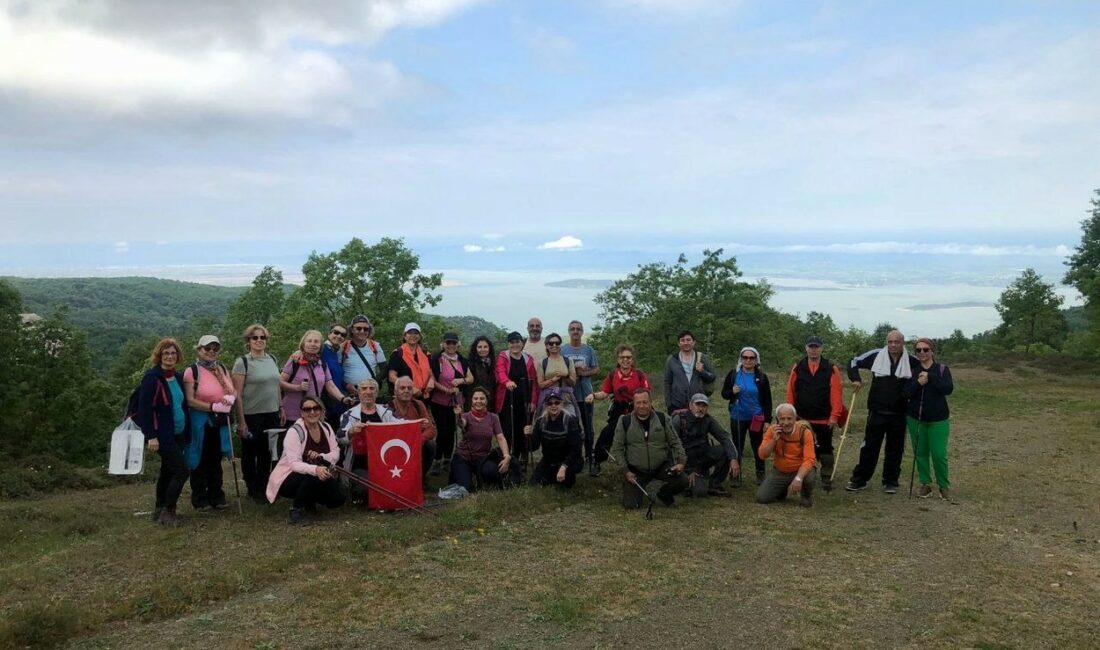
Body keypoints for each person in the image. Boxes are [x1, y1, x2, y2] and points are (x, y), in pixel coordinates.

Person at [845, 330, 919, 494]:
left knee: (895, 448)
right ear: (887, 342)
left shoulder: (912, 360)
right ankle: (860, 480)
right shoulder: (876, 355)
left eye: (897, 342)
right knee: (869, 447)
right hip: (876, 411)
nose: (893, 345)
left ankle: (891, 481)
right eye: (890, 341)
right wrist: (855, 378)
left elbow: (926, 368)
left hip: (899, 412)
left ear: (902, 343)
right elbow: (853, 361)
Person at [265, 396, 345, 525]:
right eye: (307, 409)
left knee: (338, 498)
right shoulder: (294, 431)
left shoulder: (326, 427)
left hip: (319, 473)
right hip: (289, 478)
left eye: (315, 408)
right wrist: (316, 469)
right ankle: (296, 510)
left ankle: (309, 501)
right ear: (302, 412)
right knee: (312, 476)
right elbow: (294, 464)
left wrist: (321, 457)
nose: (312, 412)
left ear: (321, 410)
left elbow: (336, 453)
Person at [137, 338, 190, 527]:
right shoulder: (152, 378)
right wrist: (151, 435)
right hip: (163, 434)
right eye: (166, 353)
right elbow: (145, 409)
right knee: (182, 470)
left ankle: (159, 510)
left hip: (179, 432)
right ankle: (169, 511)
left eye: (173, 353)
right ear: (159, 356)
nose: (170, 356)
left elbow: (181, 404)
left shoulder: (177, 377)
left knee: (167, 471)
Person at [183, 335, 236, 511]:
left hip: (219, 421)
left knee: (215, 458)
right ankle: (199, 498)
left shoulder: (221, 369)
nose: (211, 352)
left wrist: (228, 400)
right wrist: (212, 406)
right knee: (199, 458)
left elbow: (231, 390)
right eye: (207, 348)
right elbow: (190, 400)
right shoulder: (192, 371)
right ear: (199, 350)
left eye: (215, 349)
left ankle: (216, 495)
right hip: (200, 422)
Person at [610, 389, 688, 509]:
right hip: (636, 470)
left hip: (661, 465)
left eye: (645, 402)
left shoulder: (663, 419)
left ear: (651, 402)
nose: (642, 406)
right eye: (638, 402)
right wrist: (626, 471)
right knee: (632, 506)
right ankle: (633, 491)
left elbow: (676, 442)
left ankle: (663, 495)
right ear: (633, 404)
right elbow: (617, 449)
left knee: (683, 480)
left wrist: (681, 462)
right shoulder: (624, 421)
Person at [231, 324, 282, 502]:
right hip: (251, 414)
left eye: (263, 337)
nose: (259, 340)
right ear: (248, 341)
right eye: (255, 338)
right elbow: (236, 395)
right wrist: (241, 421)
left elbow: (276, 386)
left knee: (267, 452)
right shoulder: (242, 362)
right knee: (250, 451)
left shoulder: (272, 359)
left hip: (271, 413)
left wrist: (280, 407)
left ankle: (264, 485)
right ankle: (252, 488)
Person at [785, 335, 843, 491]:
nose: (813, 349)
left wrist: (834, 416)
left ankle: (826, 477)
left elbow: (836, 394)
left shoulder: (831, 368)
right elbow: (790, 391)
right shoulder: (798, 367)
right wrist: (790, 414)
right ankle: (802, 475)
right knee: (801, 447)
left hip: (824, 418)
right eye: (811, 346)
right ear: (806, 348)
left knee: (825, 448)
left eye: (816, 346)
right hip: (802, 417)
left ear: (821, 348)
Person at [587, 343, 650, 476]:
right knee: (607, 433)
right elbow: (604, 393)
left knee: (647, 435)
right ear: (618, 359)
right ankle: (596, 461)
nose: (625, 360)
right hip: (619, 411)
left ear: (632, 359)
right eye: (622, 357)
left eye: (628, 357)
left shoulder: (639, 375)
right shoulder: (612, 375)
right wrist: (593, 395)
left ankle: (648, 463)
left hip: (638, 410)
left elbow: (646, 394)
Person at [904, 338, 954, 501]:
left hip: (938, 419)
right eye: (918, 350)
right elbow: (906, 393)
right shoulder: (913, 370)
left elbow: (948, 389)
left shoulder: (941, 369)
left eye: (926, 349)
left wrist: (931, 377)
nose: (922, 353)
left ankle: (943, 486)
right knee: (921, 453)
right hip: (916, 418)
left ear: (932, 351)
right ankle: (925, 484)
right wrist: (918, 383)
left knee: (939, 454)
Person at [339, 378, 400, 502]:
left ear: (377, 393)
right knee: (365, 491)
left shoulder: (386, 411)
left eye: (372, 389)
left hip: (384, 462)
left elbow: (401, 425)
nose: (368, 392)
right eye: (364, 389)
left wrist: (417, 424)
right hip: (359, 463)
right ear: (359, 393)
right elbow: (340, 437)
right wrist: (350, 432)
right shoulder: (349, 415)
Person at [721, 346, 773, 487]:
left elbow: (768, 401)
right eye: (745, 357)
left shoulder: (761, 377)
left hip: (757, 418)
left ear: (756, 360)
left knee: (758, 446)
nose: (748, 360)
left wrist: (768, 420)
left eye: (751, 358)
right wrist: (732, 391)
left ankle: (760, 474)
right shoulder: (733, 374)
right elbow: (724, 394)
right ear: (741, 359)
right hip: (738, 416)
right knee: (737, 446)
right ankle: (735, 474)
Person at [670, 394, 740, 497]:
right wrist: (687, 471)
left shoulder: (708, 419)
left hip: (703, 457)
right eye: (698, 405)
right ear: (690, 406)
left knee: (725, 451)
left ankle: (715, 485)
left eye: (704, 406)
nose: (701, 408)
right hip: (685, 461)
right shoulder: (678, 420)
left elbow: (724, 437)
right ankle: (686, 482)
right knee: (700, 492)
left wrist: (733, 458)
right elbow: (670, 447)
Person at [280, 330, 354, 425]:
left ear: (320, 346)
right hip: (292, 415)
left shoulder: (322, 364)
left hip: (313, 414)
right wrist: (297, 388)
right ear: (303, 344)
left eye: (316, 342)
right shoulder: (295, 361)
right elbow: (280, 383)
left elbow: (330, 385)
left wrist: (343, 399)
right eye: (309, 341)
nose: (313, 344)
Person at [428, 332, 474, 477]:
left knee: (452, 431)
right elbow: (432, 379)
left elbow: (470, 378)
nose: (451, 346)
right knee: (442, 431)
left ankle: (447, 460)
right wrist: (446, 390)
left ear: (458, 344)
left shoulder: (462, 360)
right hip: (439, 401)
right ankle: (436, 461)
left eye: (454, 343)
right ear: (443, 344)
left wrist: (460, 382)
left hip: (456, 402)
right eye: (448, 343)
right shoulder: (436, 359)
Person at [755, 403, 817, 507]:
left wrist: (798, 478)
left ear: (795, 419)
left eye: (789, 419)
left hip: (799, 470)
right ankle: (782, 489)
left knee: (809, 475)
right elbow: (762, 455)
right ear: (777, 419)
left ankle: (806, 496)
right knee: (762, 498)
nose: (786, 422)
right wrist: (773, 441)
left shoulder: (805, 432)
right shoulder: (772, 430)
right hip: (780, 471)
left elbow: (809, 459)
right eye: (782, 419)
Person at [495, 331, 537, 478]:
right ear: (508, 344)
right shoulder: (503, 357)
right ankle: (506, 457)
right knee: (507, 430)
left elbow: (533, 382)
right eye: (512, 342)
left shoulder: (528, 359)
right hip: (507, 399)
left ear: (522, 343)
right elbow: (500, 372)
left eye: (517, 341)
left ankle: (521, 459)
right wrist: (507, 382)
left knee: (523, 431)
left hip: (524, 400)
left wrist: (533, 401)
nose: (515, 344)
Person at [451, 387, 511, 491]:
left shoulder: (493, 417)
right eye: (476, 398)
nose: (478, 401)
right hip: (463, 457)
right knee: (465, 488)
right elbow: (462, 423)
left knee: (492, 472)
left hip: (482, 457)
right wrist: (458, 416)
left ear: (487, 401)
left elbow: (500, 437)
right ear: (471, 401)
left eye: (482, 398)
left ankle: (480, 477)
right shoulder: (466, 416)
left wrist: (506, 456)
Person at [561, 321, 600, 474]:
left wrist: (584, 373)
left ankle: (591, 457)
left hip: (586, 395)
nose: (575, 331)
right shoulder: (563, 350)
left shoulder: (588, 350)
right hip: (569, 396)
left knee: (588, 428)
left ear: (582, 332)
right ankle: (574, 457)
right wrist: (574, 370)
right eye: (573, 329)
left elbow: (596, 368)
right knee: (572, 429)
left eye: (578, 329)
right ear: (569, 331)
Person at [526, 388, 584, 489]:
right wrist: (527, 436)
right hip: (549, 459)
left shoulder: (570, 421)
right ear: (546, 405)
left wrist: (564, 466)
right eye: (550, 403)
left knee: (564, 484)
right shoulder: (541, 422)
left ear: (562, 404)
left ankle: (565, 475)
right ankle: (553, 474)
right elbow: (533, 446)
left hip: (568, 460)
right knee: (534, 484)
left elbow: (576, 449)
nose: (553, 406)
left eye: (557, 403)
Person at [390, 376, 438, 483]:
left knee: (431, 445)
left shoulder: (418, 404)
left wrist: (421, 439)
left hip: (416, 442)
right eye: (402, 388)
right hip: (396, 445)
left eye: (409, 388)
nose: (406, 391)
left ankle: (420, 480)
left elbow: (431, 429)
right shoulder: (388, 406)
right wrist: (418, 427)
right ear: (395, 391)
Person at [664, 330, 717, 414]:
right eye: (682, 340)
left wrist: (702, 371)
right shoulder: (672, 359)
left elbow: (712, 377)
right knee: (678, 426)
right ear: (679, 343)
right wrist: (668, 403)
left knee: (698, 426)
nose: (686, 343)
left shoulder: (702, 357)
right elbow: (667, 382)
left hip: (698, 403)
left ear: (694, 342)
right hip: (677, 403)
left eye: (688, 340)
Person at [341, 314, 387, 400]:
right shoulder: (343, 347)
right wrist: (346, 385)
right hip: (349, 392)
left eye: (366, 329)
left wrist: (373, 383)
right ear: (352, 330)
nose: (362, 331)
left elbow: (384, 369)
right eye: (358, 328)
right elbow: (336, 371)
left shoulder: (375, 346)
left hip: (369, 392)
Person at [388, 322, 435, 399]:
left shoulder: (426, 354)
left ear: (420, 336)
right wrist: (410, 387)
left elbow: (431, 373)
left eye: (416, 333)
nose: (413, 336)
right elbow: (391, 377)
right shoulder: (397, 354)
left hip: (423, 396)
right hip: (404, 396)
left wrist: (431, 380)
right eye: (410, 333)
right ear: (405, 336)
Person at [535, 332, 577, 414]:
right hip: (549, 401)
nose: (554, 345)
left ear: (560, 345)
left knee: (570, 423)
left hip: (566, 400)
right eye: (551, 343)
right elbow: (540, 385)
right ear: (547, 346)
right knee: (547, 425)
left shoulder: (568, 361)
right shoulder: (542, 362)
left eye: (557, 343)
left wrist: (565, 376)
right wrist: (553, 380)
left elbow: (573, 383)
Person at [320, 321, 350, 428]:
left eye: (343, 335)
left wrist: (347, 385)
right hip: (326, 403)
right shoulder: (321, 349)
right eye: (336, 332)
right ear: (329, 333)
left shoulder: (336, 353)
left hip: (338, 401)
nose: (339, 336)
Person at [465, 336, 496, 408]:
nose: (483, 349)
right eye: (479, 347)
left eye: (485, 347)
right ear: (475, 349)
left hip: (491, 402)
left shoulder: (494, 364)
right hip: (475, 402)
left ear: (489, 348)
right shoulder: (469, 364)